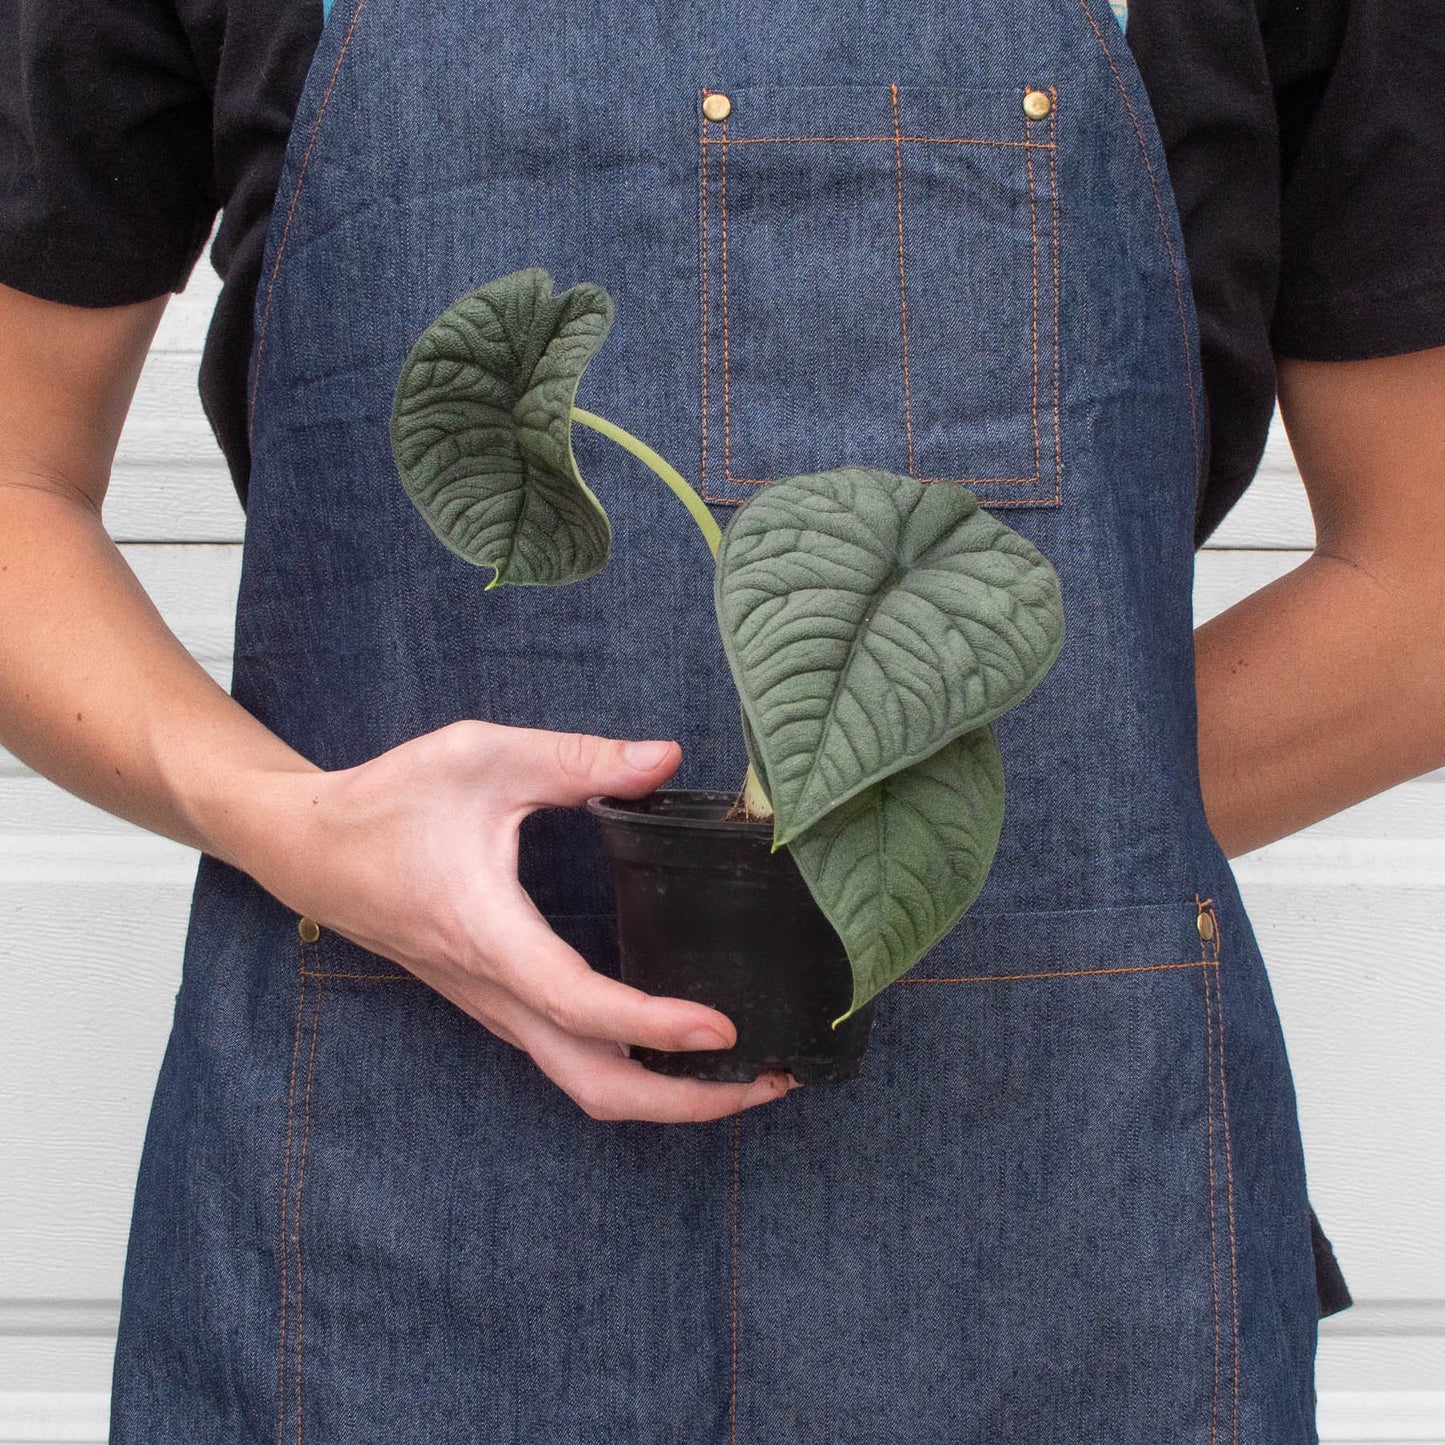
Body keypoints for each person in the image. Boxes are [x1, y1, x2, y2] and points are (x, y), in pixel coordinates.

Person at [0, 0, 1440, 1439]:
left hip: (1059, 1193)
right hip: (386, 1201)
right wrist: (287, 820)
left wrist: (939, 834)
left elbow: (1418, 588)